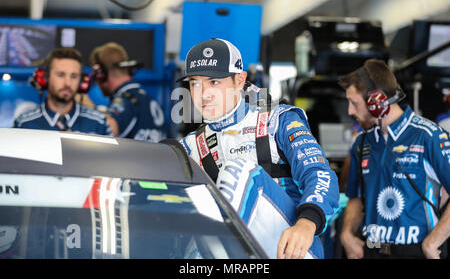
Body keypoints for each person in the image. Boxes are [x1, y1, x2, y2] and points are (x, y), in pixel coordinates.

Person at [178, 38, 339, 259]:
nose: (203, 93)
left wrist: (307, 224)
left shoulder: (277, 120)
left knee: (240, 170)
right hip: (240, 257)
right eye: (195, 83)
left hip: (291, 250)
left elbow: (319, 173)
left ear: (239, 80)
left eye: (214, 82)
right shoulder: (190, 145)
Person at [338, 59, 450, 259]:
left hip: (416, 251)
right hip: (372, 249)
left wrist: (433, 242)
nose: (350, 111)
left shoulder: (428, 136)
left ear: (377, 103)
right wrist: (346, 234)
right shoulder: (362, 143)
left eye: (354, 103)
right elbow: (354, 197)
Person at [13, 47, 112, 136]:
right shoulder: (24, 123)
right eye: (61, 75)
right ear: (45, 78)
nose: (67, 83)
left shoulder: (98, 122)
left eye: (74, 76)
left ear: (82, 81)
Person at [88, 42, 166, 142]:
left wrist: (87, 106)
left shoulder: (124, 102)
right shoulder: (148, 100)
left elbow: (106, 130)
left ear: (100, 74)